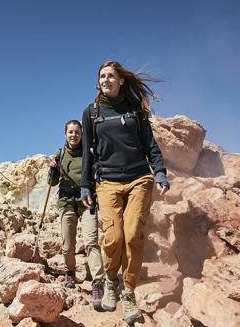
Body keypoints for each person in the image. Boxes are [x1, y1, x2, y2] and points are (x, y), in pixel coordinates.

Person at [80, 60, 169, 324]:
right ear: (98, 83)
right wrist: (86, 184)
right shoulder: (91, 112)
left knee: (132, 236)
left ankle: (128, 291)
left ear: (121, 81)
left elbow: (149, 143)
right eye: (102, 76)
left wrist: (160, 171)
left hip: (139, 178)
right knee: (113, 237)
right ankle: (110, 281)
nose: (106, 80)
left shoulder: (136, 110)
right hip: (106, 181)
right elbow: (87, 152)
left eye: (111, 76)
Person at [48, 119, 105, 311]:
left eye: (77, 132)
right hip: (66, 202)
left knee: (91, 240)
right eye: (70, 132)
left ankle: (97, 283)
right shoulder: (60, 154)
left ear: (82, 134)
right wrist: (52, 168)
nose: (74, 135)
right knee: (67, 245)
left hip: (87, 200)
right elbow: (52, 183)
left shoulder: (89, 153)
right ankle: (70, 272)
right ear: (65, 134)